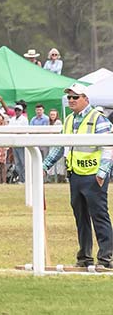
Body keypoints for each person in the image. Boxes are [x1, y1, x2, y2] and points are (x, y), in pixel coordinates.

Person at [43, 83, 113, 268]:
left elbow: (109, 146)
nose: (71, 100)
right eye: (69, 97)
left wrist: (102, 173)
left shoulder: (99, 119)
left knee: (99, 216)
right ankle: (84, 257)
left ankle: (106, 258)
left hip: (94, 176)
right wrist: (45, 165)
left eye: (75, 97)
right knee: (80, 218)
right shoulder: (68, 120)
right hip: (75, 176)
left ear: (86, 99)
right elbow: (60, 146)